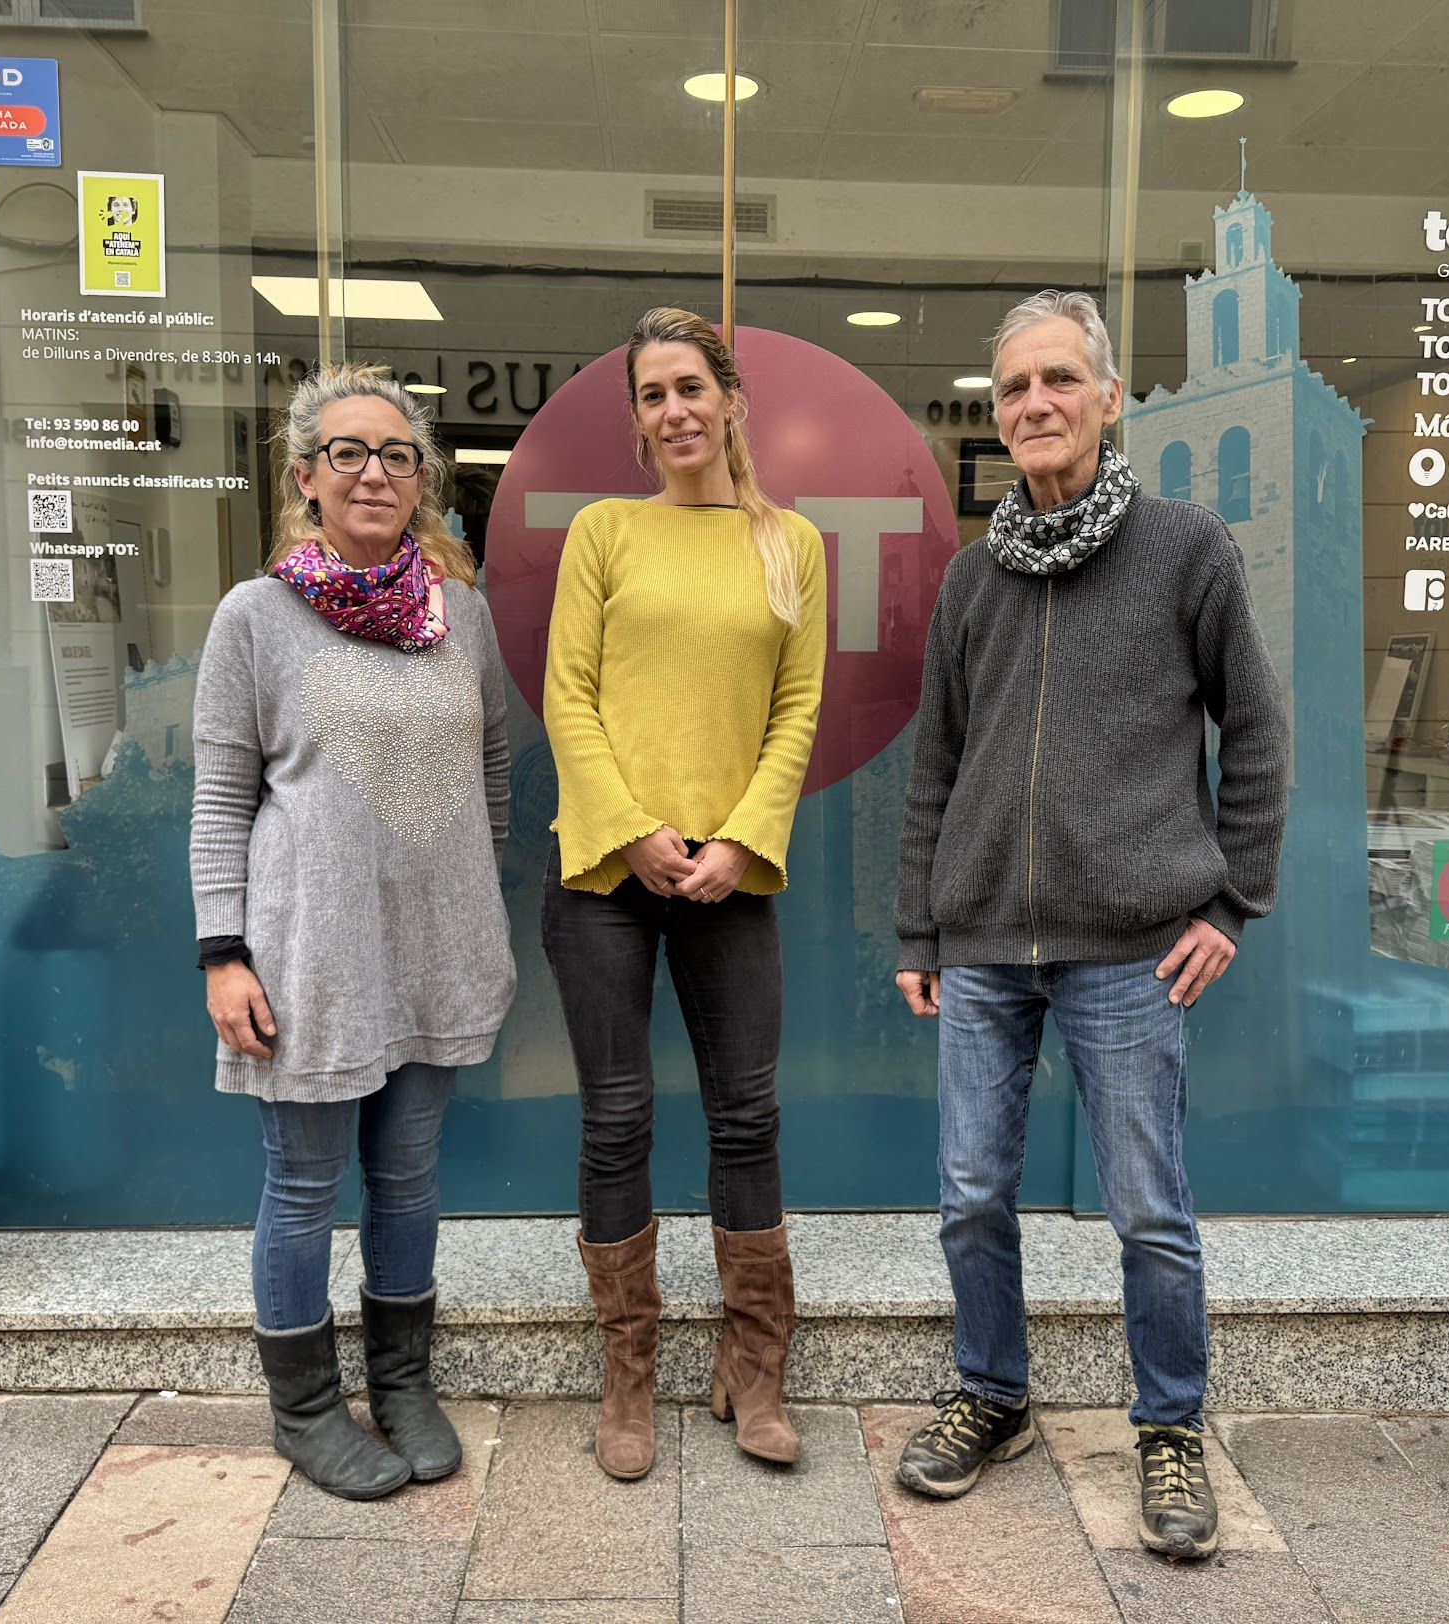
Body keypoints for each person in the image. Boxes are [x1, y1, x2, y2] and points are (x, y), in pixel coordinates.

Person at [891, 290, 1289, 1560]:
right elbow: (937, 765)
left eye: (1060, 379)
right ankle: (992, 1393)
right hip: (983, 949)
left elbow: (1257, 730)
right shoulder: (972, 578)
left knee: (1149, 1212)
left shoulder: (1187, 549)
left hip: (1129, 950)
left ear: (1109, 398)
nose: (1036, 403)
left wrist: (1230, 898)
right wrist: (919, 927)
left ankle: (1170, 1425)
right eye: (1014, 387)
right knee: (970, 1196)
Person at [190, 364, 514, 1500]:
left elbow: (493, 767)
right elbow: (221, 798)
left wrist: (474, 890)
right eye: (348, 452)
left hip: (434, 947)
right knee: (303, 1185)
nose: (374, 472)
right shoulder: (255, 617)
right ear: (305, 476)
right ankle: (306, 1410)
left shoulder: (462, 614)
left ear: (422, 480)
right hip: (308, 952)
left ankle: (402, 1384)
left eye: (396, 455)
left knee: (409, 1177)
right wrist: (222, 953)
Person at [542, 307, 827, 1479]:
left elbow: (798, 709)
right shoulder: (604, 531)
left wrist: (742, 839)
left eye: (690, 388)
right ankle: (630, 1374)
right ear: (638, 419)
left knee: (747, 1115)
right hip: (606, 873)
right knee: (616, 1119)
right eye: (652, 394)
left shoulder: (790, 543)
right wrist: (633, 827)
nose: (675, 411)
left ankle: (754, 1366)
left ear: (730, 401)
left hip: (731, 875)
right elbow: (568, 694)